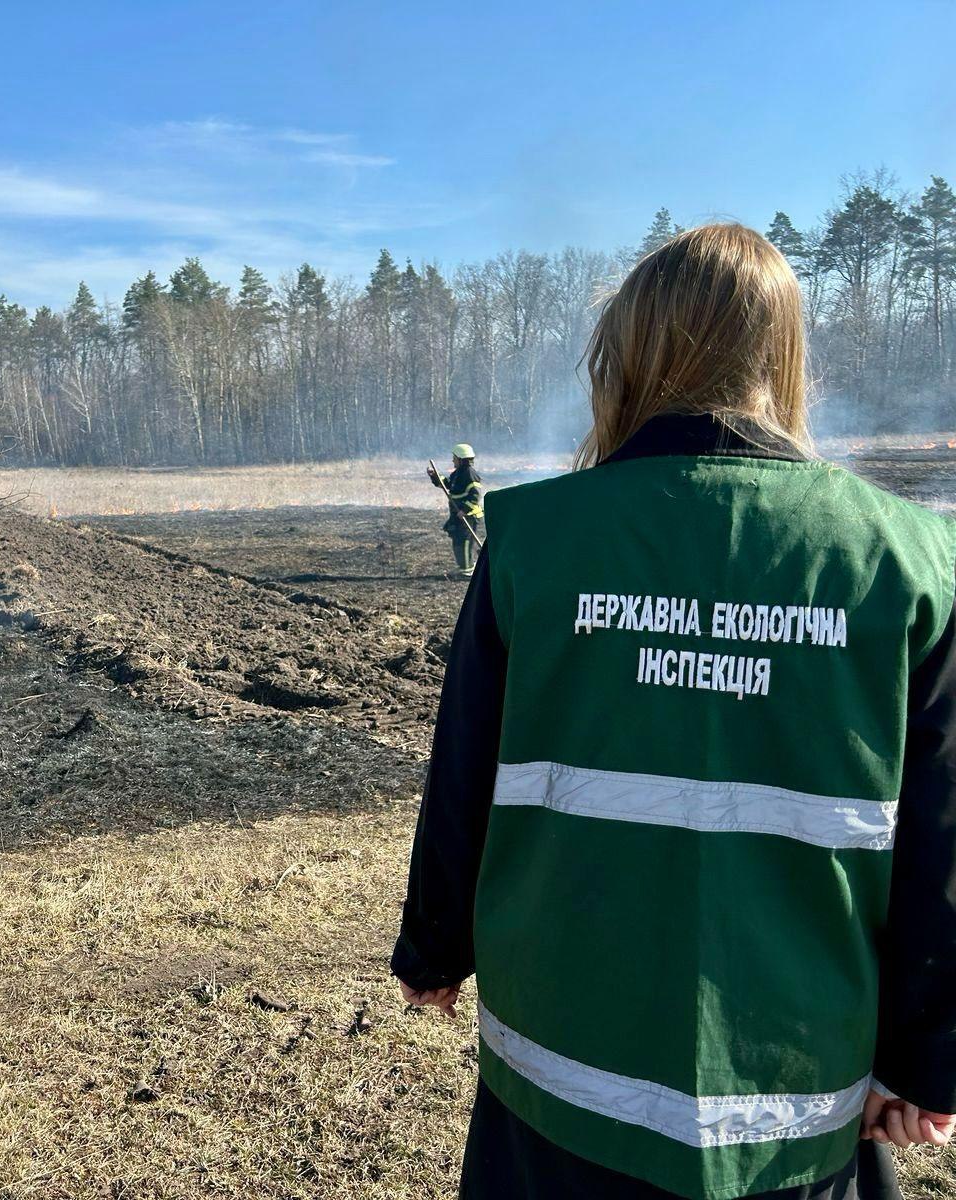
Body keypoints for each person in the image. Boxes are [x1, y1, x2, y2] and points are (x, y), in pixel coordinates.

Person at [392, 224, 956, 1199]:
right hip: (790, 1099)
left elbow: (464, 770)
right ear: (782, 356)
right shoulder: (908, 558)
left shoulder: (532, 540)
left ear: (629, 353)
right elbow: (939, 833)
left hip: (560, 1092)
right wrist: (928, 1053)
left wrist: (433, 947)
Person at [429, 444, 485, 576]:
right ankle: (464, 566)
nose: (452, 460)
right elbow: (447, 485)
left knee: (464, 541)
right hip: (458, 515)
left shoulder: (470, 474)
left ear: (461, 459)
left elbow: (475, 495)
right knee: (458, 540)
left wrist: (464, 510)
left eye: (454, 458)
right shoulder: (458, 473)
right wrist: (434, 476)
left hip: (469, 516)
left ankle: (467, 571)